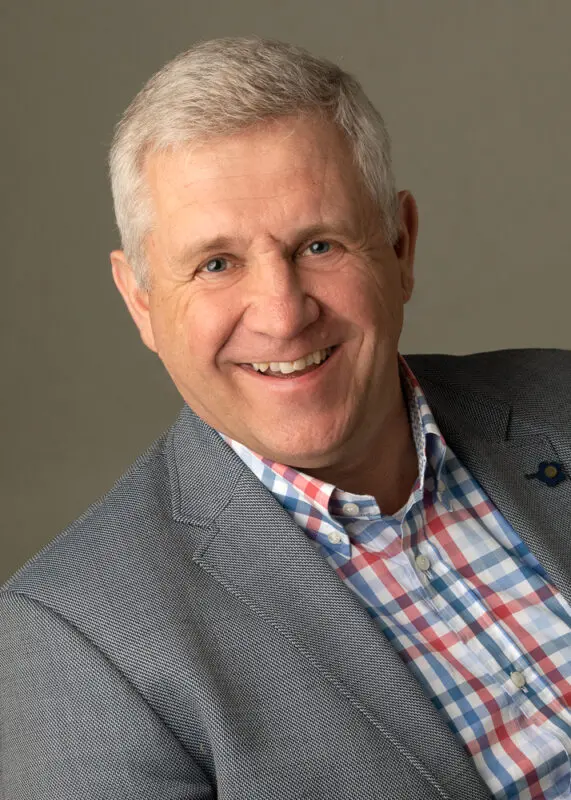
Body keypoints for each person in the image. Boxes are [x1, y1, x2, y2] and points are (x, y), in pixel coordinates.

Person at [1, 37, 570, 800]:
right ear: (139, 299)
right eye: (215, 264)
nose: (281, 315)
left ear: (400, 247)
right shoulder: (72, 643)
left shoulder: (557, 397)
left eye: (318, 244)